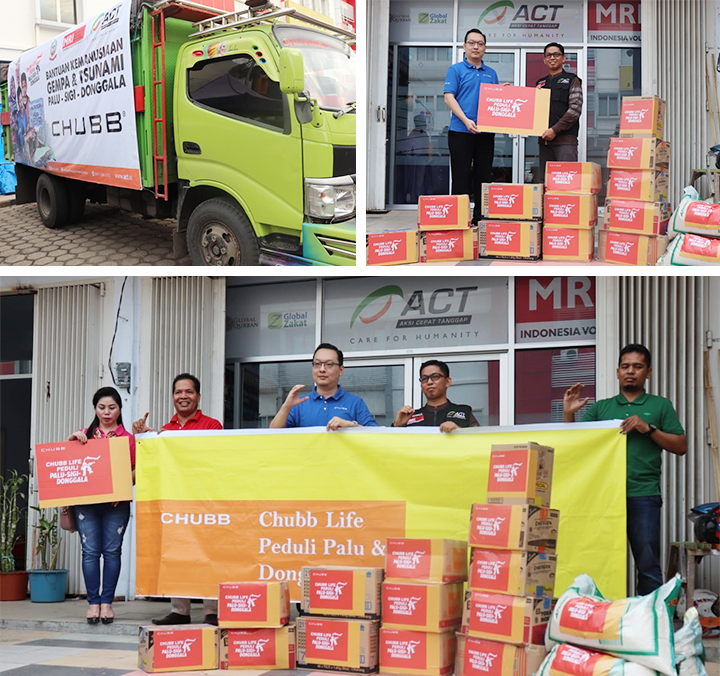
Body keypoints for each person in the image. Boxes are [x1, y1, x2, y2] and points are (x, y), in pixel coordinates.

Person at [563, 344, 686, 595]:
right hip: (604, 496)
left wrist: (648, 428)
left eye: (637, 367)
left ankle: (648, 624)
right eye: (625, 366)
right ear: (617, 372)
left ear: (648, 372)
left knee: (648, 565)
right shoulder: (602, 408)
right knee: (600, 561)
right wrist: (568, 415)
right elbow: (574, 443)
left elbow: (681, 446)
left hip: (643, 494)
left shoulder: (661, 405)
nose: (631, 371)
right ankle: (601, 619)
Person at [133, 373, 222, 625]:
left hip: (204, 502)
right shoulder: (165, 431)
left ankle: (210, 611)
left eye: (189, 392)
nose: (183, 396)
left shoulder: (212, 426)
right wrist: (145, 440)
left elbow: (214, 461)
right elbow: (151, 467)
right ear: (173, 397)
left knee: (207, 555)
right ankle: (180, 611)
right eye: (178, 392)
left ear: (198, 396)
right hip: (175, 503)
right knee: (177, 554)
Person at [67, 387, 135, 625]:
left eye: (112, 407)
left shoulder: (127, 438)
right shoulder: (83, 436)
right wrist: (71, 443)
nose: (107, 412)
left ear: (120, 409)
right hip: (87, 504)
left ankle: (107, 603)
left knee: (112, 552)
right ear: (95, 409)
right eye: (102, 407)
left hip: (116, 505)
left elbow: (136, 470)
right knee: (89, 553)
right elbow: (67, 465)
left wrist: (123, 487)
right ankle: (93, 603)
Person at [443, 29, 498, 225]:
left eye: (480, 44)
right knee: (461, 176)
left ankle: (480, 219)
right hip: (460, 132)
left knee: (483, 176)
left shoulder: (491, 73)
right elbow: (449, 97)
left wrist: (505, 93)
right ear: (465, 46)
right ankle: (460, 220)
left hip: (485, 134)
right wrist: (466, 121)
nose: (476, 47)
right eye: (472, 43)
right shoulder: (456, 70)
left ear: (485, 48)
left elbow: (496, 101)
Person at [270, 343, 378, 429]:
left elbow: (376, 435)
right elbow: (273, 436)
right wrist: (286, 407)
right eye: (317, 364)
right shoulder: (299, 403)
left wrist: (352, 425)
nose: (322, 369)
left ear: (341, 370)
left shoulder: (355, 403)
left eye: (329, 364)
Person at [535, 42, 583, 180]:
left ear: (563, 58)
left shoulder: (572, 80)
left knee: (565, 183)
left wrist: (554, 130)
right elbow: (531, 109)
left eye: (556, 54)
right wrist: (508, 92)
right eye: (548, 55)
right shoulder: (540, 83)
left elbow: (575, 109)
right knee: (547, 184)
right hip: (544, 142)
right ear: (544, 60)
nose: (552, 58)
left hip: (565, 142)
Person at [394, 360, 480, 432]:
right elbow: (392, 447)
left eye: (435, 377)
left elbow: (480, 442)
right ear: (421, 385)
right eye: (424, 379)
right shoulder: (410, 417)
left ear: (447, 382)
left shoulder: (464, 412)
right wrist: (397, 426)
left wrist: (458, 430)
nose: (429, 382)